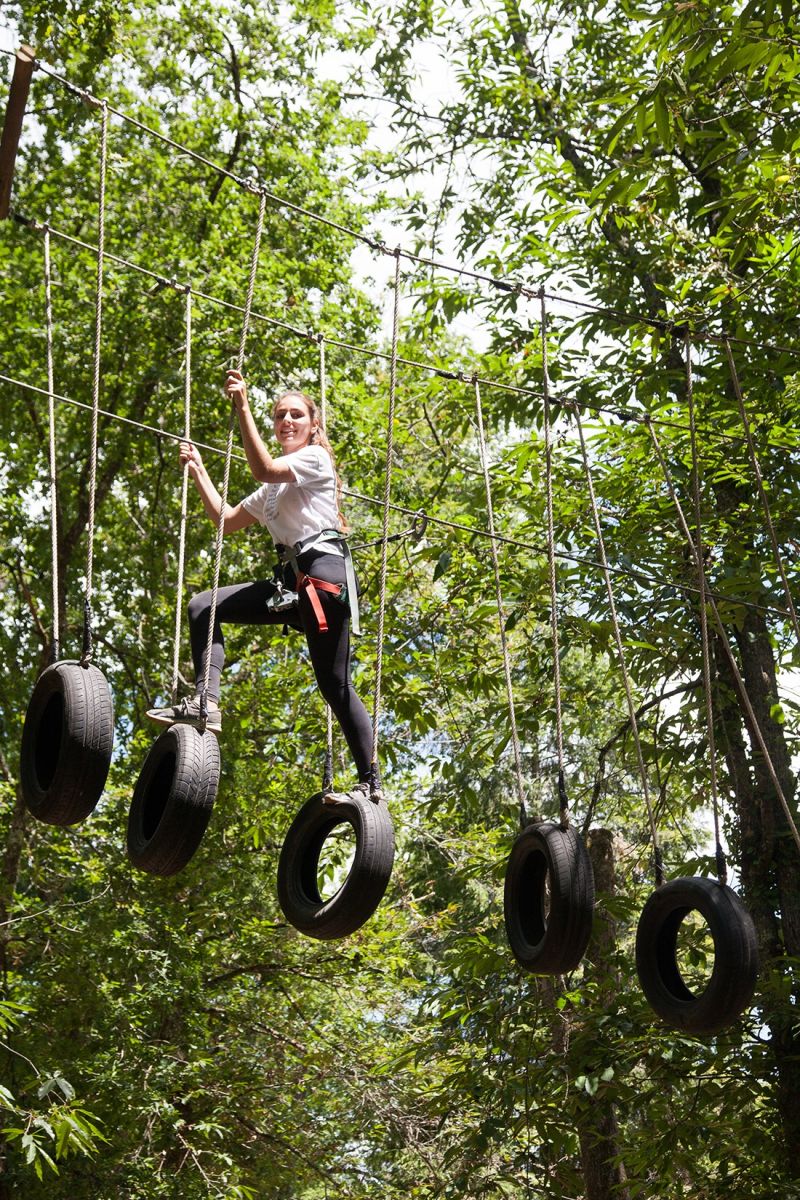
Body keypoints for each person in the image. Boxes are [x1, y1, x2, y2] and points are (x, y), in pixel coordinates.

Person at [147, 370, 379, 804]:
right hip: (291, 585)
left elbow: (264, 468)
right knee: (204, 606)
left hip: (322, 576)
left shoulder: (314, 459)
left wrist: (242, 407)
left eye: (296, 415)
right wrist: (198, 470)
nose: (286, 421)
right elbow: (225, 520)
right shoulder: (272, 492)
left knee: (335, 685)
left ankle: (371, 783)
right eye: (279, 416)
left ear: (313, 425)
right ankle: (206, 701)